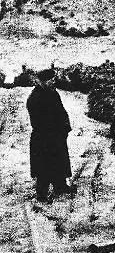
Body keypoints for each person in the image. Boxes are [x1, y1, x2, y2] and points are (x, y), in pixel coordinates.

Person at [27, 68, 72, 202]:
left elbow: (60, 110)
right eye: (50, 80)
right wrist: (55, 129)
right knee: (44, 166)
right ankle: (41, 194)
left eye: (53, 79)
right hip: (43, 137)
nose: (53, 82)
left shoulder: (52, 92)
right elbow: (39, 121)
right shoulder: (35, 98)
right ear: (42, 81)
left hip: (56, 134)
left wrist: (65, 127)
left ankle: (60, 186)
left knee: (59, 160)